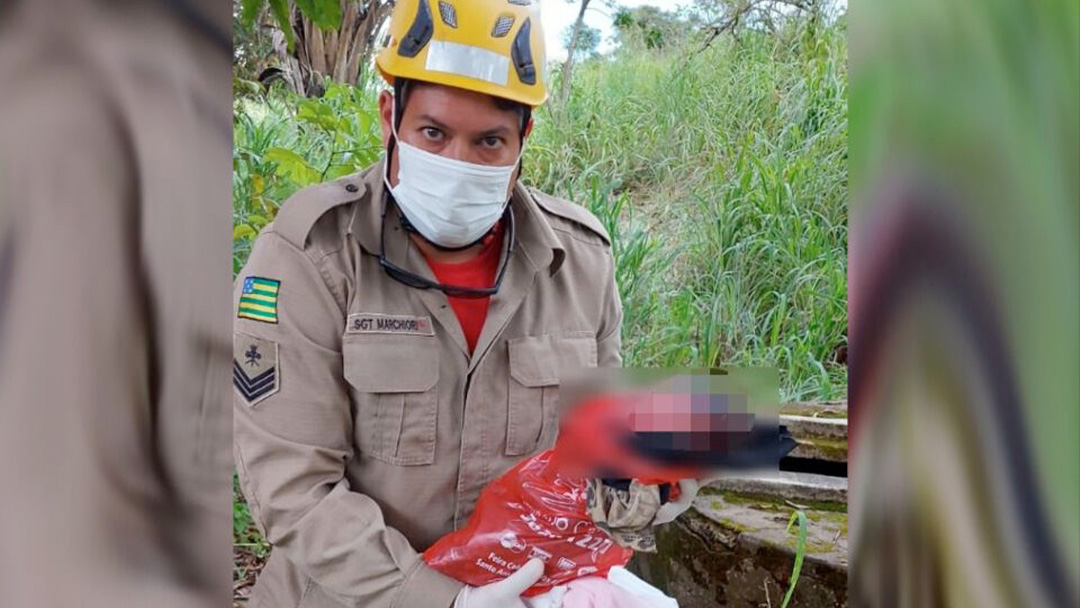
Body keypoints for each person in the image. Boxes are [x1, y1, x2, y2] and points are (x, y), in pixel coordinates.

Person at [233, 2, 690, 607]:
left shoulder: (579, 263)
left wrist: (648, 492)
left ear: (523, 139)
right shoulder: (310, 254)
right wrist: (443, 601)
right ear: (389, 115)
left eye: (489, 141)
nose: (458, 164)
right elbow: (293, 488)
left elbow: (593, 459)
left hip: (525, 590)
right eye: (434, 133)